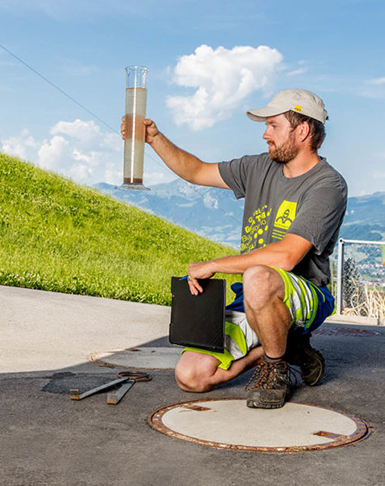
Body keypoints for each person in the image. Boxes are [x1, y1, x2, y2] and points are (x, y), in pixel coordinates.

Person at [121, 88, 347, 409]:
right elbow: (196, 171)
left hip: (306, 295)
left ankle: (276, 366)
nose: (265, 134)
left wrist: (214, 264)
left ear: (302, 130)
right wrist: (153, 137)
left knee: (257, 275)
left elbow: (286, 256)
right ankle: (286, 345)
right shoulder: (258, 168)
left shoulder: (327, 184)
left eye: (273, 126)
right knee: (191, 376)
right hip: (251, 297)